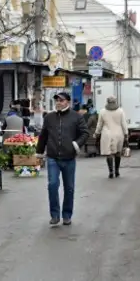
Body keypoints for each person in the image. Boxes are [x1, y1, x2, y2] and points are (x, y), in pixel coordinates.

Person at [36, 92, 89, 226]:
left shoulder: (76, 117)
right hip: (53, 157)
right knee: (52, 185)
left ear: (68, 102)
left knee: (69, 188)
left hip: (69, 158)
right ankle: (54, 215)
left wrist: (76, 144)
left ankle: (67, 215)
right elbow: (43, 135)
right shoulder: (49, 117)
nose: (59, 103)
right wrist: (39, 152)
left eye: (62, 100)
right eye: (57, 101)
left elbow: (85, 133)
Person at [94, 96, 128, 179]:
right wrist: (126, 134)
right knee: (118, 152)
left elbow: (100, 124)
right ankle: (117, 171)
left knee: (109, 153)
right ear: (115, 102)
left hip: (107, 134)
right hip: (118, 133)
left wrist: (97, 133)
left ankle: (111, 171)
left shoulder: (102, 111)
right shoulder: (120, 111)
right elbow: (124, 123)